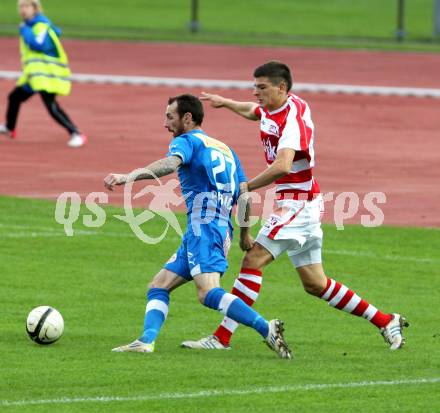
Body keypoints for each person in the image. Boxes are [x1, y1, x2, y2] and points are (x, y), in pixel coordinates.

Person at [181, 61, 408, 352]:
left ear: (281, 87)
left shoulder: (292, 122)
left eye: (261, 87)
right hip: (304, 203)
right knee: (315, 283)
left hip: (296, 204)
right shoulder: (282, 106)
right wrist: (226, 103)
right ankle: (386, 320)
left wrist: (249, 186)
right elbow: (256, 112)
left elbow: (283, 164)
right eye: (254, 87)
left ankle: (221, 338)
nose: (255, 92)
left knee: (253, 260)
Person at [103, 93, 291, 359]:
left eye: (170, 117)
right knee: (159, 285)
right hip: (214, 228)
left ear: (187, 118)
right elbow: (246, 195)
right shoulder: (226, 150)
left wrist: (128, 177)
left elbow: (170, 164)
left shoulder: (186, 141)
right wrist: (244, 235)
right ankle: (145, 341)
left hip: (205, 228)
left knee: (207, 292)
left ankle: (266, 327)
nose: (165, 123)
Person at [0, 0, 87, 148]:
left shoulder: (40, 26)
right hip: (35, 76)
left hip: (47, 76)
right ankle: (10, 127)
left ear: (35, 8)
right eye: (21, 7)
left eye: (27, 6)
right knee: (14, 97)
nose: (23, 10)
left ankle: (76, 133)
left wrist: (25, 30)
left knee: (51, 107)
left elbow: (38, 44)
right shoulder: (30, 26)